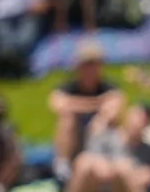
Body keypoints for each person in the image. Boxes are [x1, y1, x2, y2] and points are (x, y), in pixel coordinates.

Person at [48, 40, 126, 182]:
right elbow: (57, 104)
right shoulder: (68, 87)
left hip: (101, 139)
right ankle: (63, 166)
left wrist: (75, 104)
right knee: (67, 119)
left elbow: (114, 109)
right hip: (75, 137)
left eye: (94, 64)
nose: (90, 69)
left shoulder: (110, 87)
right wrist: (97, 103)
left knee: (101, 120)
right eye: (86, 64)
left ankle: (96, 162)